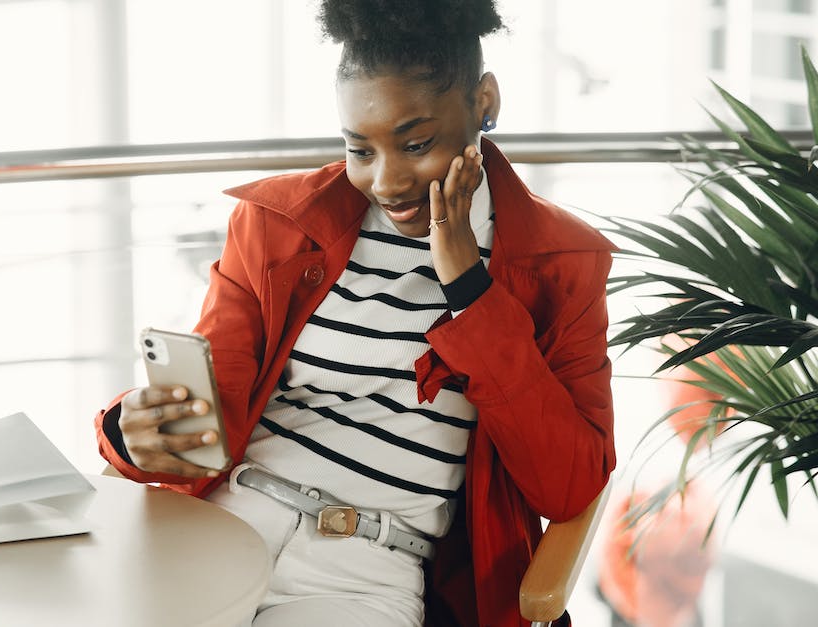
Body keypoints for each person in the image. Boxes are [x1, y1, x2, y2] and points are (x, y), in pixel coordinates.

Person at [94, 1, 616, 625]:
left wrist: (471, 293)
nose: (388, 180)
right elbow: (212, 413)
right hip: (221, 525)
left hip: (366, 570)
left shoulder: (559, 263)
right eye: (359, 150)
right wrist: (139, 435)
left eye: (415, 143)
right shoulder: (277, 226)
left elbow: (569, 485)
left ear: (484, 101)